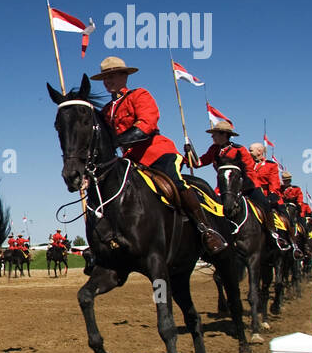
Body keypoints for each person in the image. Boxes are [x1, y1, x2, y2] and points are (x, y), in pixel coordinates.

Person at [91, 56, 225, 253]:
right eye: (105, 77)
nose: (108, 81)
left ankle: (206, 230)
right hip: (131, 161)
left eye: (112, 76)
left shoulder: (139, 95)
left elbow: (146, 124)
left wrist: (117, 141)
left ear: (124, 76)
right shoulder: (106, 110)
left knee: (176, 183)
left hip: (157, 153)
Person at [184, 120, 255, 196]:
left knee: (262, 202)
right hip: (222, 187)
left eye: (214, 134)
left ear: (224, 134)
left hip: (243, 186)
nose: (212, 136)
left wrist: (242, 187)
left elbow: (249, 171)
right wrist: (189, 153)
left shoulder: (239, 150)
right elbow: (199, 163)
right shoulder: (214, 149)